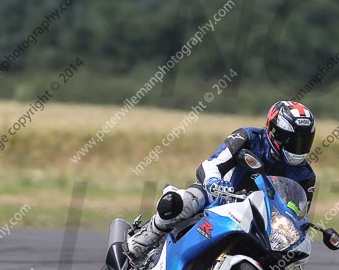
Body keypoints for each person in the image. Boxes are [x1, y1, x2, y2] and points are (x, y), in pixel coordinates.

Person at [127, 100, 317, 259]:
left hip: (259, 220)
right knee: (185, 202)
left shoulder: (305, 175)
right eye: (293, 140)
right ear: (275, 132)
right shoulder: (248, 138)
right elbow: (212, 164)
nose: (298, 147)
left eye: (304, 141)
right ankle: (146, 237)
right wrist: (213, 182)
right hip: (218, 196)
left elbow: (298, 215)